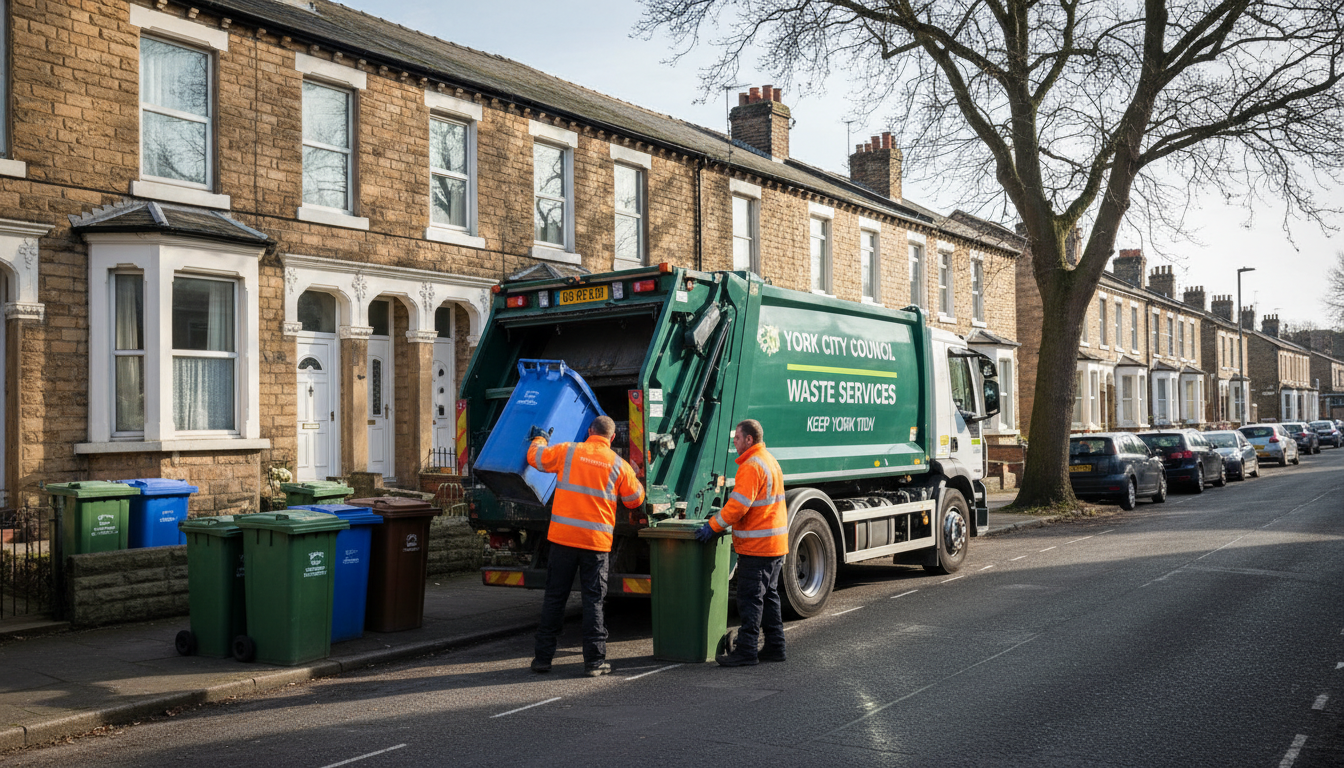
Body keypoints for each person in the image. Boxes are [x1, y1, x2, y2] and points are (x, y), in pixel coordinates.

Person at [527, 414, 644, 677]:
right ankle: (594, 662)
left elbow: (534, 458)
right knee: (594, 602)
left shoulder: (568, 451)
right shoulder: (618, 464)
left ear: (589, 431)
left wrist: (539, 437)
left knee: (555, 599)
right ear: (612, 438)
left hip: (562, 541)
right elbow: (635, 500)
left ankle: (543, 659)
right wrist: (634, 474)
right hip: (595, 544)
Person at [696, 418, 788, 666]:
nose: (734, 442)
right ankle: (775, 646)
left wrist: (712, 526)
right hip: (774, 544)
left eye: (737, 438)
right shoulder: (769, 460)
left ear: (749, 439)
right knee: (768, 597)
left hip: (757, 548)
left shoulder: (750, 465)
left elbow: (738, 506)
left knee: (750, 599)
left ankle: (747, 650)